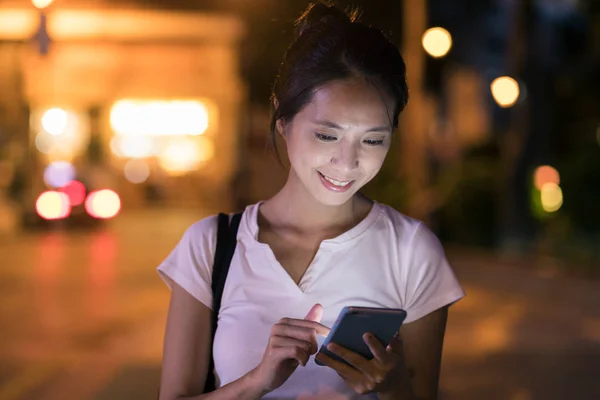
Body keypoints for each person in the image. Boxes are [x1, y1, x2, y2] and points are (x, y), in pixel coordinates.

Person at [157, 2, 465, 399]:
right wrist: (256, 381)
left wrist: (393, 387)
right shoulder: (211, 246)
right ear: (282, 119)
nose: (347, 161)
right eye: (326, 135)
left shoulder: (411, 250)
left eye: (373, 140)